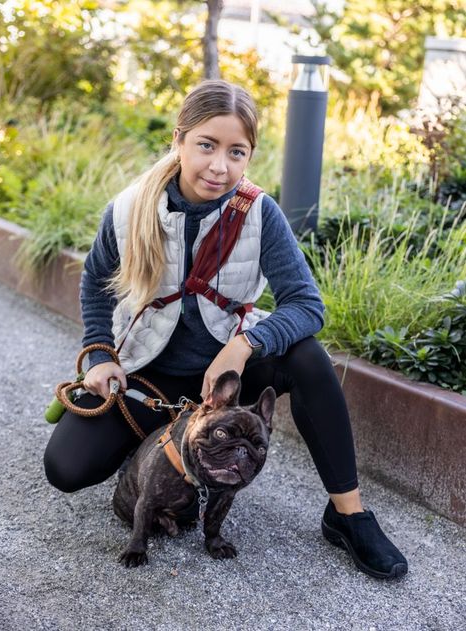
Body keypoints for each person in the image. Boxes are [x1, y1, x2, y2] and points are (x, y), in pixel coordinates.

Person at [43, 79, 408, 580]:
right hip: (146, 379)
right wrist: (101, 352)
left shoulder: (259, 213)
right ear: (179, 140)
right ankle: (157, 448)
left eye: (237, 152)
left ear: (250, 155)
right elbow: (96, 282)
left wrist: (245, 344)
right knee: (65, 469)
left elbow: (307, 305)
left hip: (224, 381)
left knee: (307, 356)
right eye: (206, 146)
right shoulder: (130, 208)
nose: (220, 166)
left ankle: (348, 515)